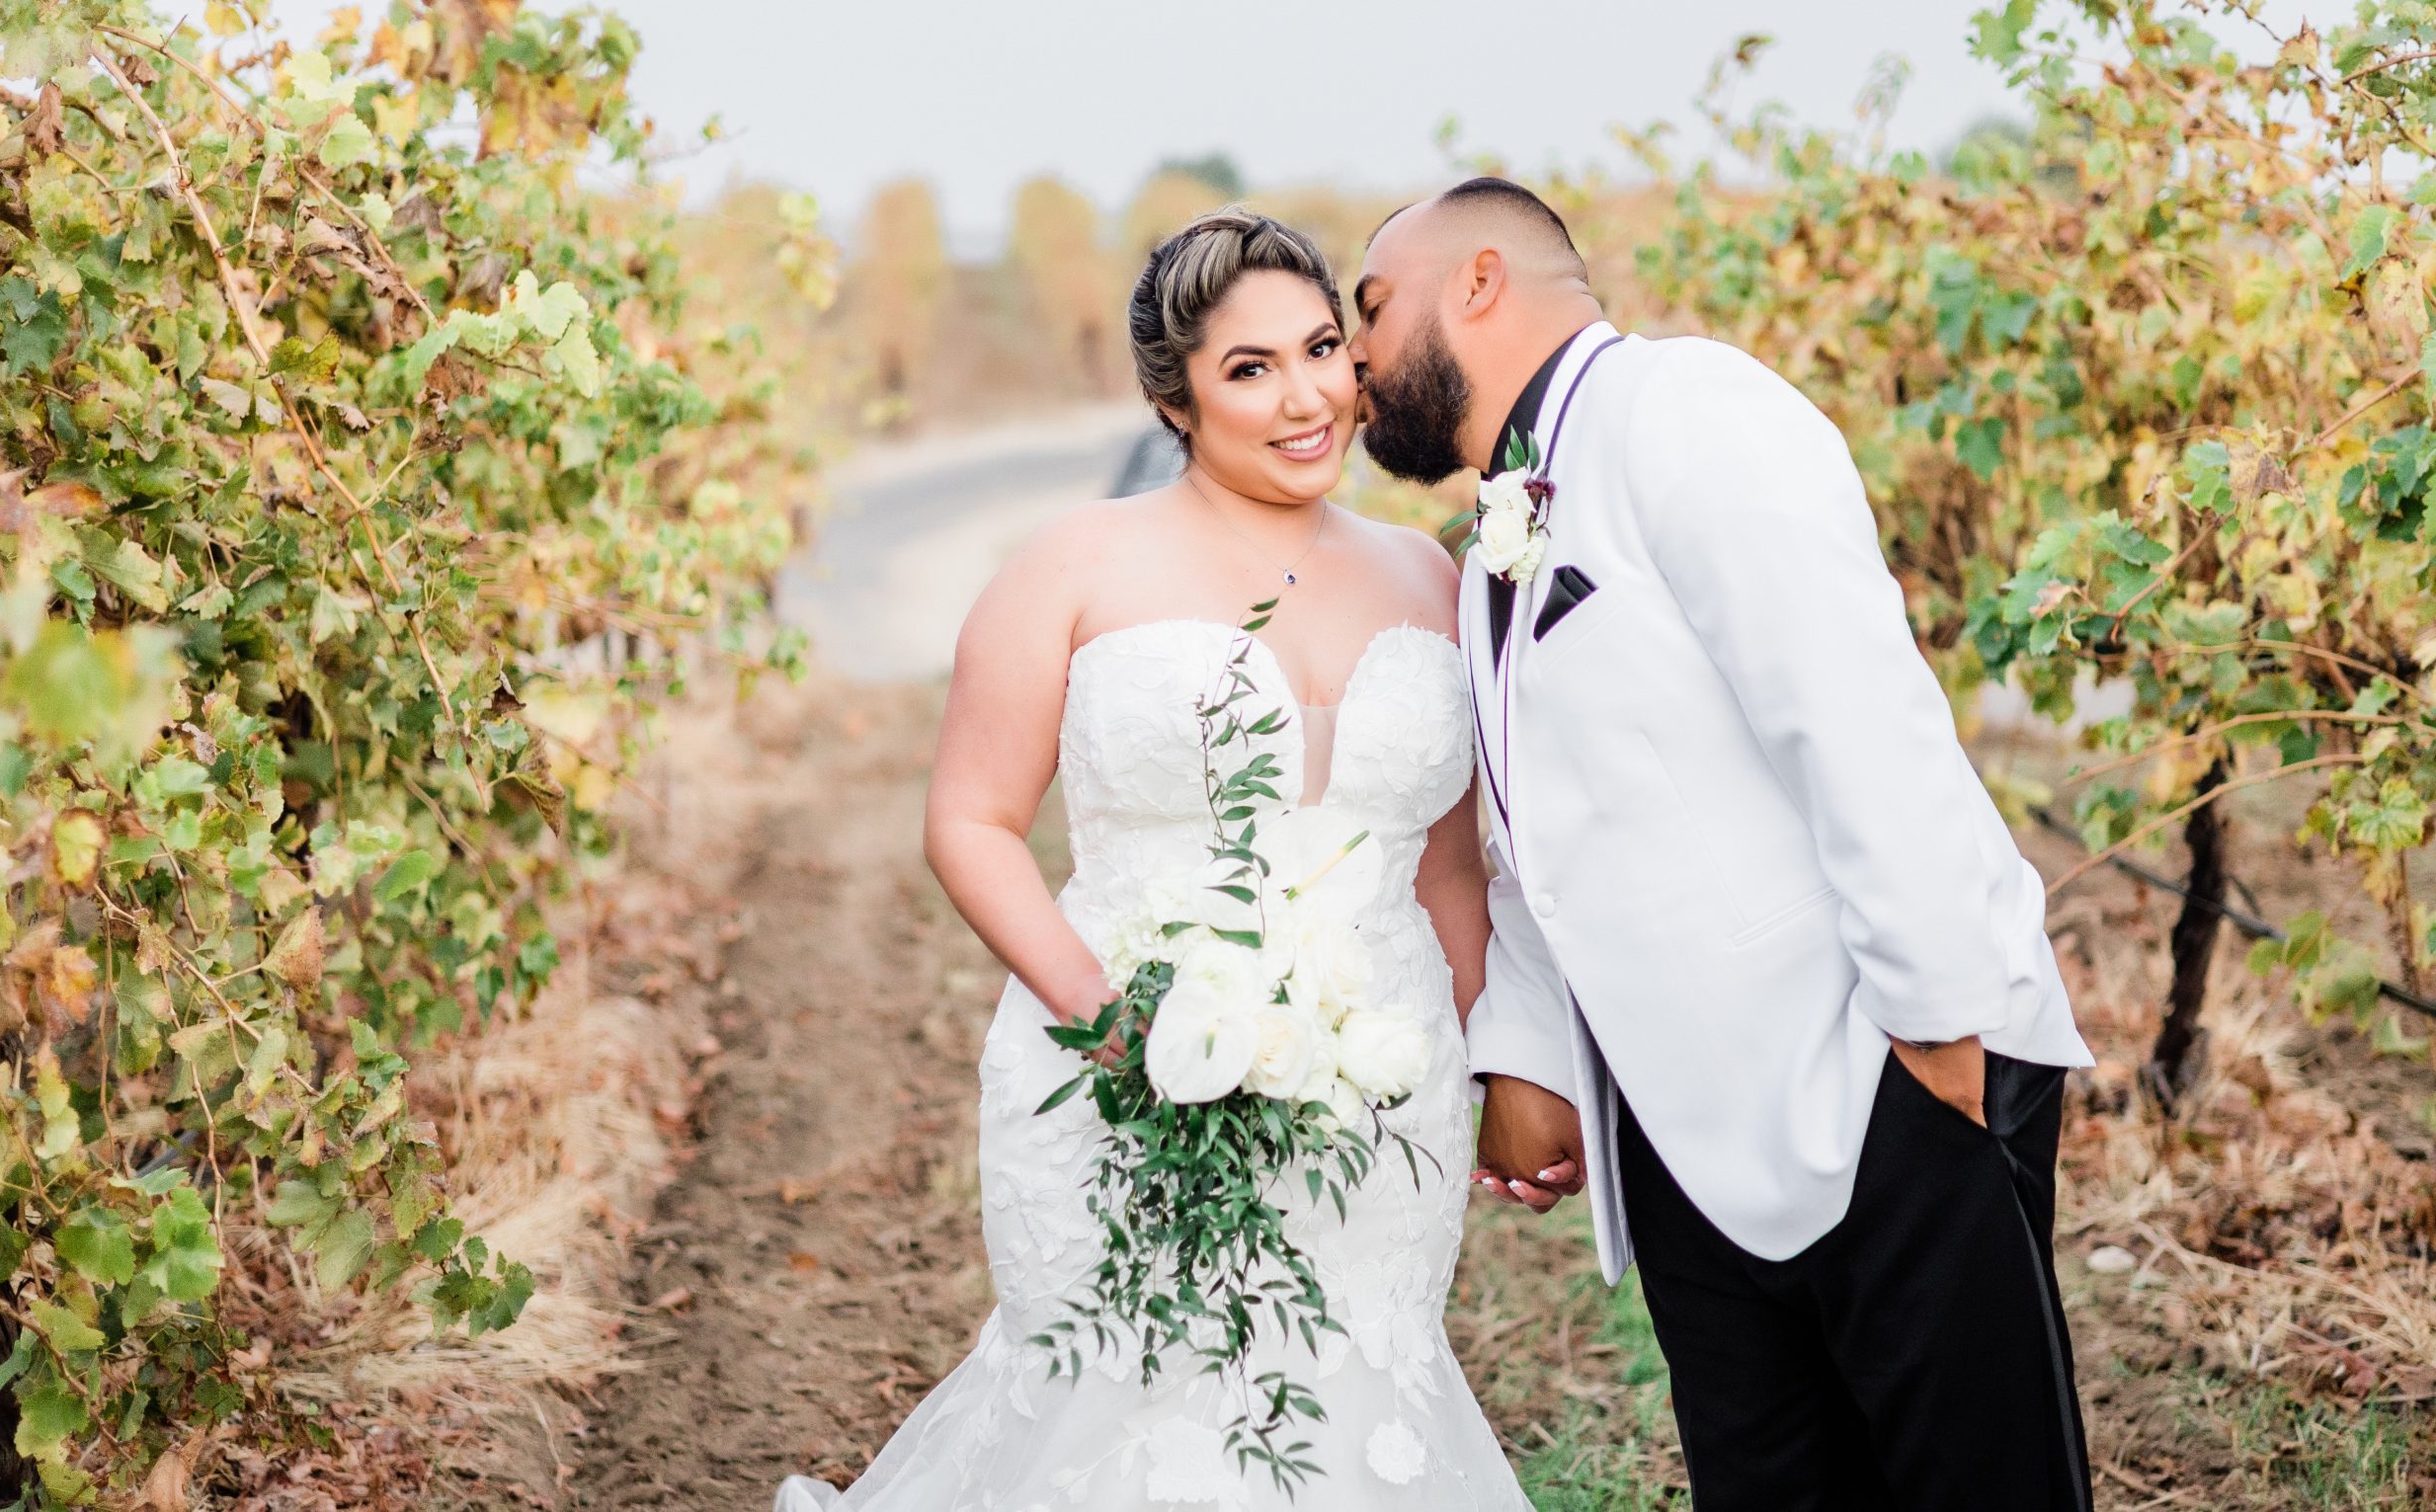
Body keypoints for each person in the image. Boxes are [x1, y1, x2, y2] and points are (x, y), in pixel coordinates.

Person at [1353, 175, 2098, 1511]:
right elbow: (1543, 848)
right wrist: (1532, 1063)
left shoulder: (1687, 411)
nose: (1351, 355)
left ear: (1477, 282)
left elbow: (1853, 712)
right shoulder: (1485, 558)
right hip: (1684, 1135)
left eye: (1367, 307)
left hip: (1879, 1068)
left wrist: (1935, 1025)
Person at [775, 207, 1533, 1509]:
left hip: (1377, 1097)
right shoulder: (1076, 564)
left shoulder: (1426, 576)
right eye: (1250, 370)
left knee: (1353, 1402)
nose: (1306, 399)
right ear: (1172, 399)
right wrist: (1107, 1020)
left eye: (1319, 351)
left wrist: (1486, 1063)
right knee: (1129, 1409)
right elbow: (970, 821)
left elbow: (1448, 869)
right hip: (1129, 1071)